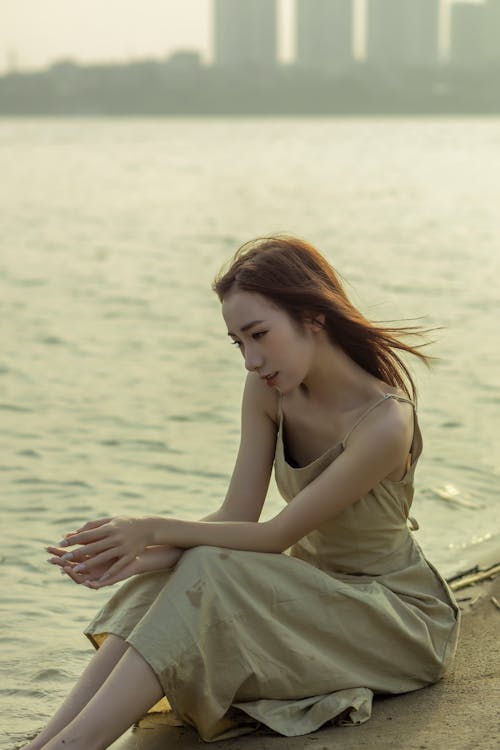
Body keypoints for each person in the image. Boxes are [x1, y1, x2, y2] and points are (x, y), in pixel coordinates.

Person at [28, 236, 460, 750]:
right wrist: (142, 560)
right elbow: (238, 516)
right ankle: (45, 742)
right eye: (238, 342)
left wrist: (149, 528)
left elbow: (275, 535)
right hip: (315, 593)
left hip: (395, 619)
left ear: (313, 318)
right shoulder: (269, 392)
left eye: (259, 334)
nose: (251, 360)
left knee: (207, 568)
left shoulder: (385, 421)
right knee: (182, 571)